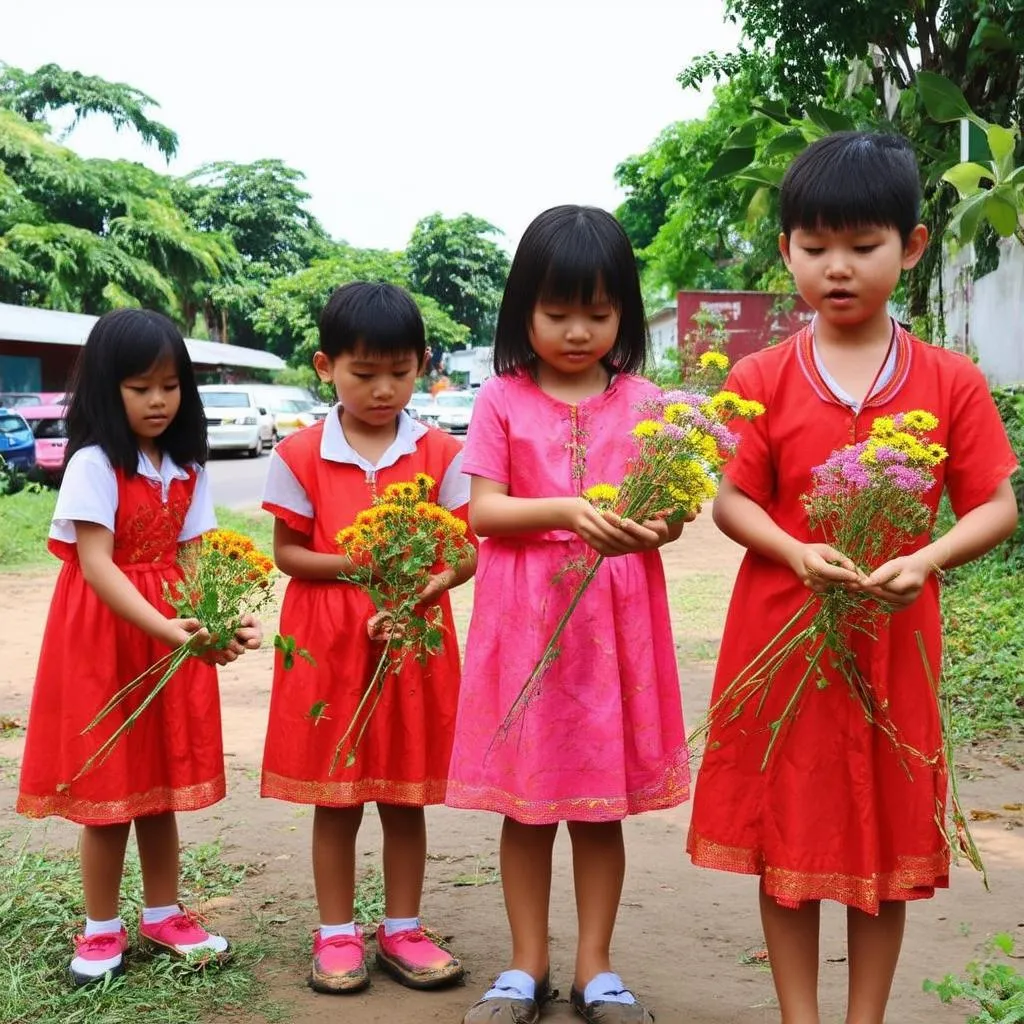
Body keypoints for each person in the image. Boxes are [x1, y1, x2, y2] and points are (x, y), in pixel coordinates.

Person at [687, 132, 1019, 1023]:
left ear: (910, 248)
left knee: (886, 838)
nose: (837, 268)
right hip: (781, 632)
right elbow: (731, 501)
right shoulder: (758, 377)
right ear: (787, 249)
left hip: (895, 639)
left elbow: (994, 505)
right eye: (815, 246)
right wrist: (794, 550)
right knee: (784, 834)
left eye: (863, 246)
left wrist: (927, 556)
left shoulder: (950, 381)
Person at [447, 205, 690, 1024]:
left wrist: (650, 525)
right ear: (524, 312)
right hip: (523, 630)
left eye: (598, 311)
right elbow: (482, 513)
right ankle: (525, 967)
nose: (578, 330)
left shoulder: (649, 400)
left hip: (610, 634)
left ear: (624, 309)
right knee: (526, 805)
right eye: (557, 313)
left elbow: (673, 515)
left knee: (597, 809)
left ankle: (596, 968)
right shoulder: (500, 401)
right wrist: (572, 508)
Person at [17, 308, 262, 987]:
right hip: (105, 639)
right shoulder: (94, 464)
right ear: (105, 388)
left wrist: (227, 618)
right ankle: (100, 929)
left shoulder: (186, 466)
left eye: (170, 385)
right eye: (139, 387)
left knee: (158, 786)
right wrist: (167, 628)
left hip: (168, 639)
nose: (158, 401)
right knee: (109, 788)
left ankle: (163, 912)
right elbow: (96, 564)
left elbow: (198, 555)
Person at [260, 281, 475, 995]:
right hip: (329, 639)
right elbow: (289, 554)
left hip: (414, 637)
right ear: (325, 368)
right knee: (337, 794)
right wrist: (364, 563)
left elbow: (463, 554)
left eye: (400, 371)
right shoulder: (297, 454)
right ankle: (336, 933)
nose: (384, 389)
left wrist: (426, 586)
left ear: (422, 365)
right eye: (363, 372)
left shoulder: (442, 452)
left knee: (405, 792)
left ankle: (404, 927)